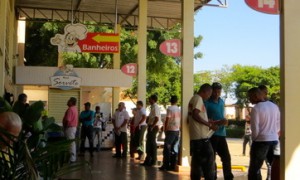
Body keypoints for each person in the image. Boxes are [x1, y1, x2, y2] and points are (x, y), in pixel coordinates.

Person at [247, 87, 280, 180]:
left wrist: (255, 139)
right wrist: (273, 133)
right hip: (274, 140)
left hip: (261, 141)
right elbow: (278, 124)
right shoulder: (274, 106)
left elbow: (255, 128)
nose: (249, 99)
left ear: (256, 96)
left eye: (250, 97)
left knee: (254, 168)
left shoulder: (256, 109)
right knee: (273, 165)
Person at [204, 82, 234, 180]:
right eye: (215, 91)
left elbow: (222, 116)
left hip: (222, 133)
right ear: (211, 91)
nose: (217, 93)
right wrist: (218, 122)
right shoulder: (206, 103)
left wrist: (225, 121)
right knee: (212, 158)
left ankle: (228, 177)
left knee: (226, 157)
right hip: (212, 134)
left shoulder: (221, 101)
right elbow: (205, 119)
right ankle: (212, 176)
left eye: (219, 91)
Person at [189, 83, 218, 180]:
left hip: (196, 138)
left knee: (196, 164)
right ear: (205, 91)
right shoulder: (198, 99)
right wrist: (209, 124)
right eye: (209, 94)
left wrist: (207, 120)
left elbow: (196, 116)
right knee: (209, 163)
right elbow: (195, 115)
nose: (208, 97)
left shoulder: (193, 98)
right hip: (201, 138)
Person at [159, 95, 181, 171]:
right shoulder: (178, 109)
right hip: (177, 130)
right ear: (176, 101)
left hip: (170, 129)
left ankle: (166, 165)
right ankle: (173, 164)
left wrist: (165, 128)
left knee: (167, 147)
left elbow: (167, 119)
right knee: (174, 148)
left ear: (170, 101)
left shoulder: (170, 108)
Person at [142, 95, 162, 166]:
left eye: (150, 99)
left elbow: (157, 118)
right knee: (149, 143)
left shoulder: (155, 107)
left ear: (153, 100)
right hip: (151, 126)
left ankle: (153, 160)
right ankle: (149, 159)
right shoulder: (152, 107)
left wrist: (152, 126)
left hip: (154, 127)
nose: (149, 100)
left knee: (152, 143)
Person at [62, 97, 78, 163]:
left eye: (69, 101)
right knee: (71, 143)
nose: (67, 101)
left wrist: (65, 127)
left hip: (69, 128)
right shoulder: (75, 109)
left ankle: (72, 159)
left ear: (71, 102)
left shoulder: (70, 109)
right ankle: (71, 158)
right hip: (73, 128)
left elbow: (68, 120)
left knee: (70, 143)